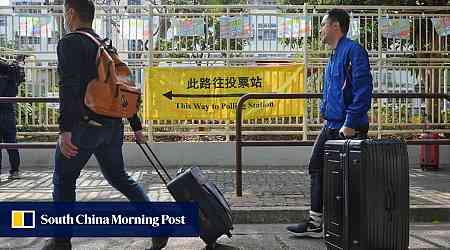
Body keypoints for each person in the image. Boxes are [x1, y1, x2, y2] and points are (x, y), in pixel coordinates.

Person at [41, 1, 168, 249]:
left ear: (71, 13)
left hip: (84, 127)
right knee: (118, 177)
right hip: (112, 127)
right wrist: (136, 125)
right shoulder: (104, 44)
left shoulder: (70, 42)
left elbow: (68, 87)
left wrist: (65, 130)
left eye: (66, 14)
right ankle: (158, 224)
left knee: (64, 180)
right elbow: (123, 87)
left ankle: (61, 241)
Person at [286, 8, 373, 238]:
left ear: (336, 26)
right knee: (316, 166)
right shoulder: (334, 55)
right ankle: (316, 223)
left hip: (347, 127)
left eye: (323, 25)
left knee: (347, 179)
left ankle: (351, 227)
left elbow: (363, 92)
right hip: (331, 125)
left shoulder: (354, 52)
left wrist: (351, 123)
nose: (320, 30)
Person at [0, 59, 23, 182]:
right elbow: (20, 76)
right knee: (12, 143)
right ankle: (15, 170)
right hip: (9, 114)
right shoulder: (12, 79)